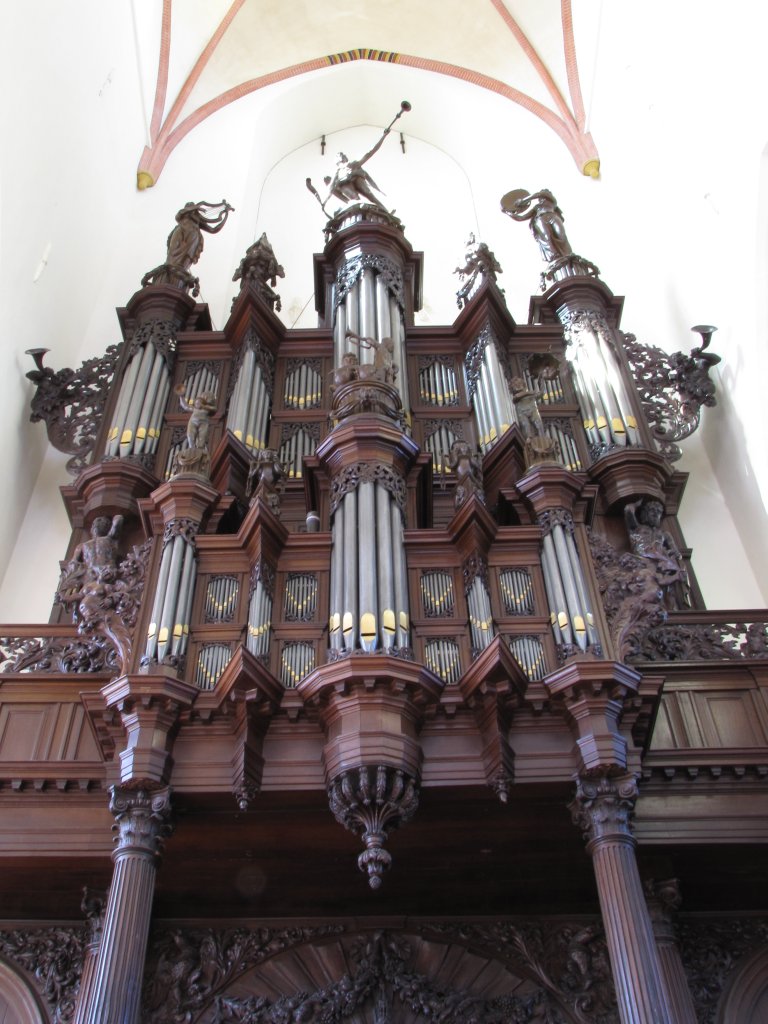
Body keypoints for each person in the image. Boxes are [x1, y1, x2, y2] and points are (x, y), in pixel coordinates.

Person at [624, 498, 691, 610]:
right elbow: (628, 510)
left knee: (672, 580)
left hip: (660, 564)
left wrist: (673, 557)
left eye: (658, 512)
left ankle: (676, 608)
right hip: (642, 561)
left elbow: (676, 553)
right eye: (652, 511)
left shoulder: (664, 534)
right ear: (645, 514)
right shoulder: (636, 528)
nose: (656, 514)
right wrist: (636, 503)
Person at [502, 189, 572, 263]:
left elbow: (540, 194)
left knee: (561, 234)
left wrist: (523, 201)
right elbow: (521, 218)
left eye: (546, 193)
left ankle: (569, 255)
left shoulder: (552, 202)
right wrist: (508, 212)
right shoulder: (536, 208)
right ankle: (555, 256)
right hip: (541, 219)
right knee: (546, 237)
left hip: (553, 217)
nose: (544, 195)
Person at [165, 200, 233, 272]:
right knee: (171, 257)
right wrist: (196, 207)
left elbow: (214, 229)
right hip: (180, 233)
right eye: (190, 207)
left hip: (192, 238)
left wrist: (226, 214)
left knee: (186, 259)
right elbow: (179, 215)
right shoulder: (182, 215)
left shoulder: (197, 220)